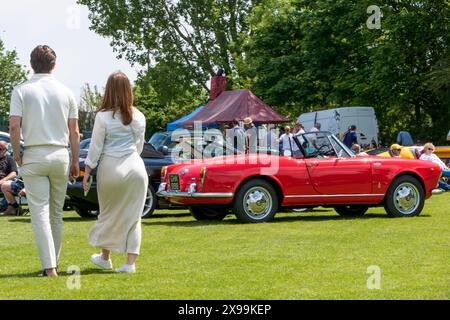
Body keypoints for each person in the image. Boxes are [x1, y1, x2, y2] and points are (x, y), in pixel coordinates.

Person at [9, 45, 80, 277]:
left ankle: (50, 268)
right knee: (56, 213)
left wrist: (17, 152)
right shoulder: (66, 91)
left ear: (31, 64)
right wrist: (76, 161)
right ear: (54, 65)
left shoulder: (21, 90)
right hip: (60, 154)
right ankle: (53, 265)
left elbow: (14, 126)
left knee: (39, 212)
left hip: (35, 154)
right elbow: (74, 131)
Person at [83, 71, 148, 274]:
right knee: (134, 217)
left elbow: (95, 147)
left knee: (108, 213)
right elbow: (139, 147)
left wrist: (87, 171)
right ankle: (130, 263)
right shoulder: (139, 116)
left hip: (111, 169)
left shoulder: (102, 116)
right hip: (136, 168)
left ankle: (105, 257)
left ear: (108, 90)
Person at [0, 141, 21, 216]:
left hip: (5, 184)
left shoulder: (9, 159)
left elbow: (14, 173)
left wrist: (3, 180)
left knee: (4, 185)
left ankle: (14, 207)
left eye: (0, 149)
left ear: (6, 150)